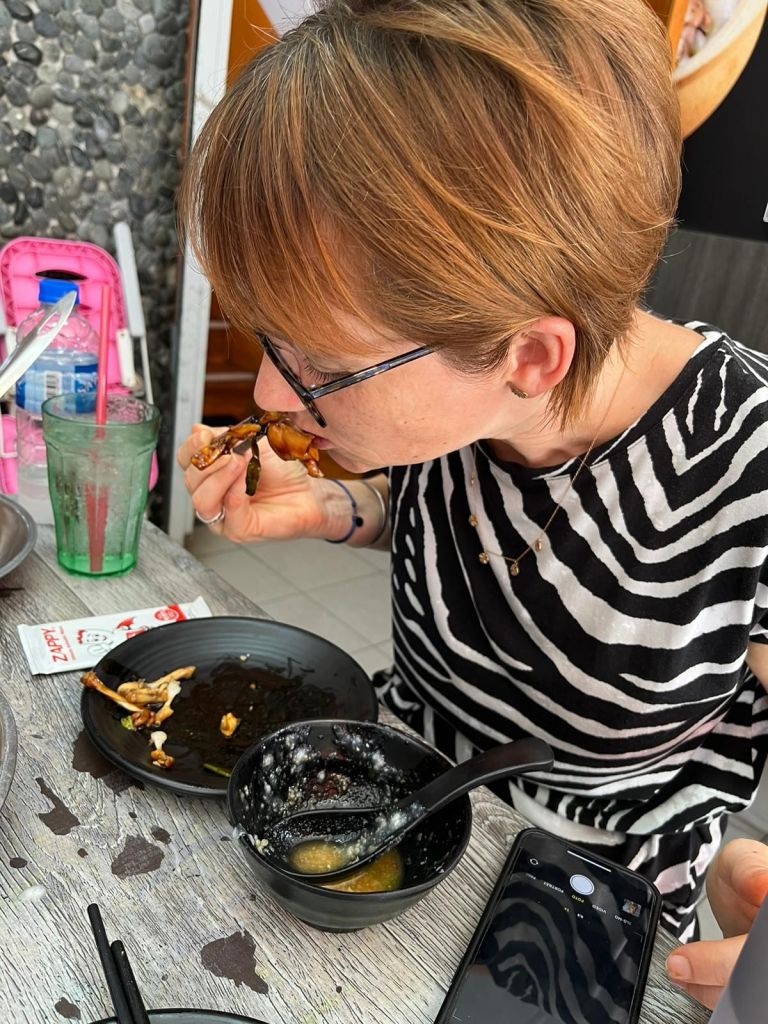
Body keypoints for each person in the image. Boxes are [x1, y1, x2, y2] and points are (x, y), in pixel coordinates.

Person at [176, 0, 768, 1003]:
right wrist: (331, 508)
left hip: (581, 906)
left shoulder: (746, 458)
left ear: (532, 356)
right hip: (379, 805)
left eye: (319, 364)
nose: (271, 393)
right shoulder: (472, 396)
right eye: (266, 337)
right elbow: (458, 521)